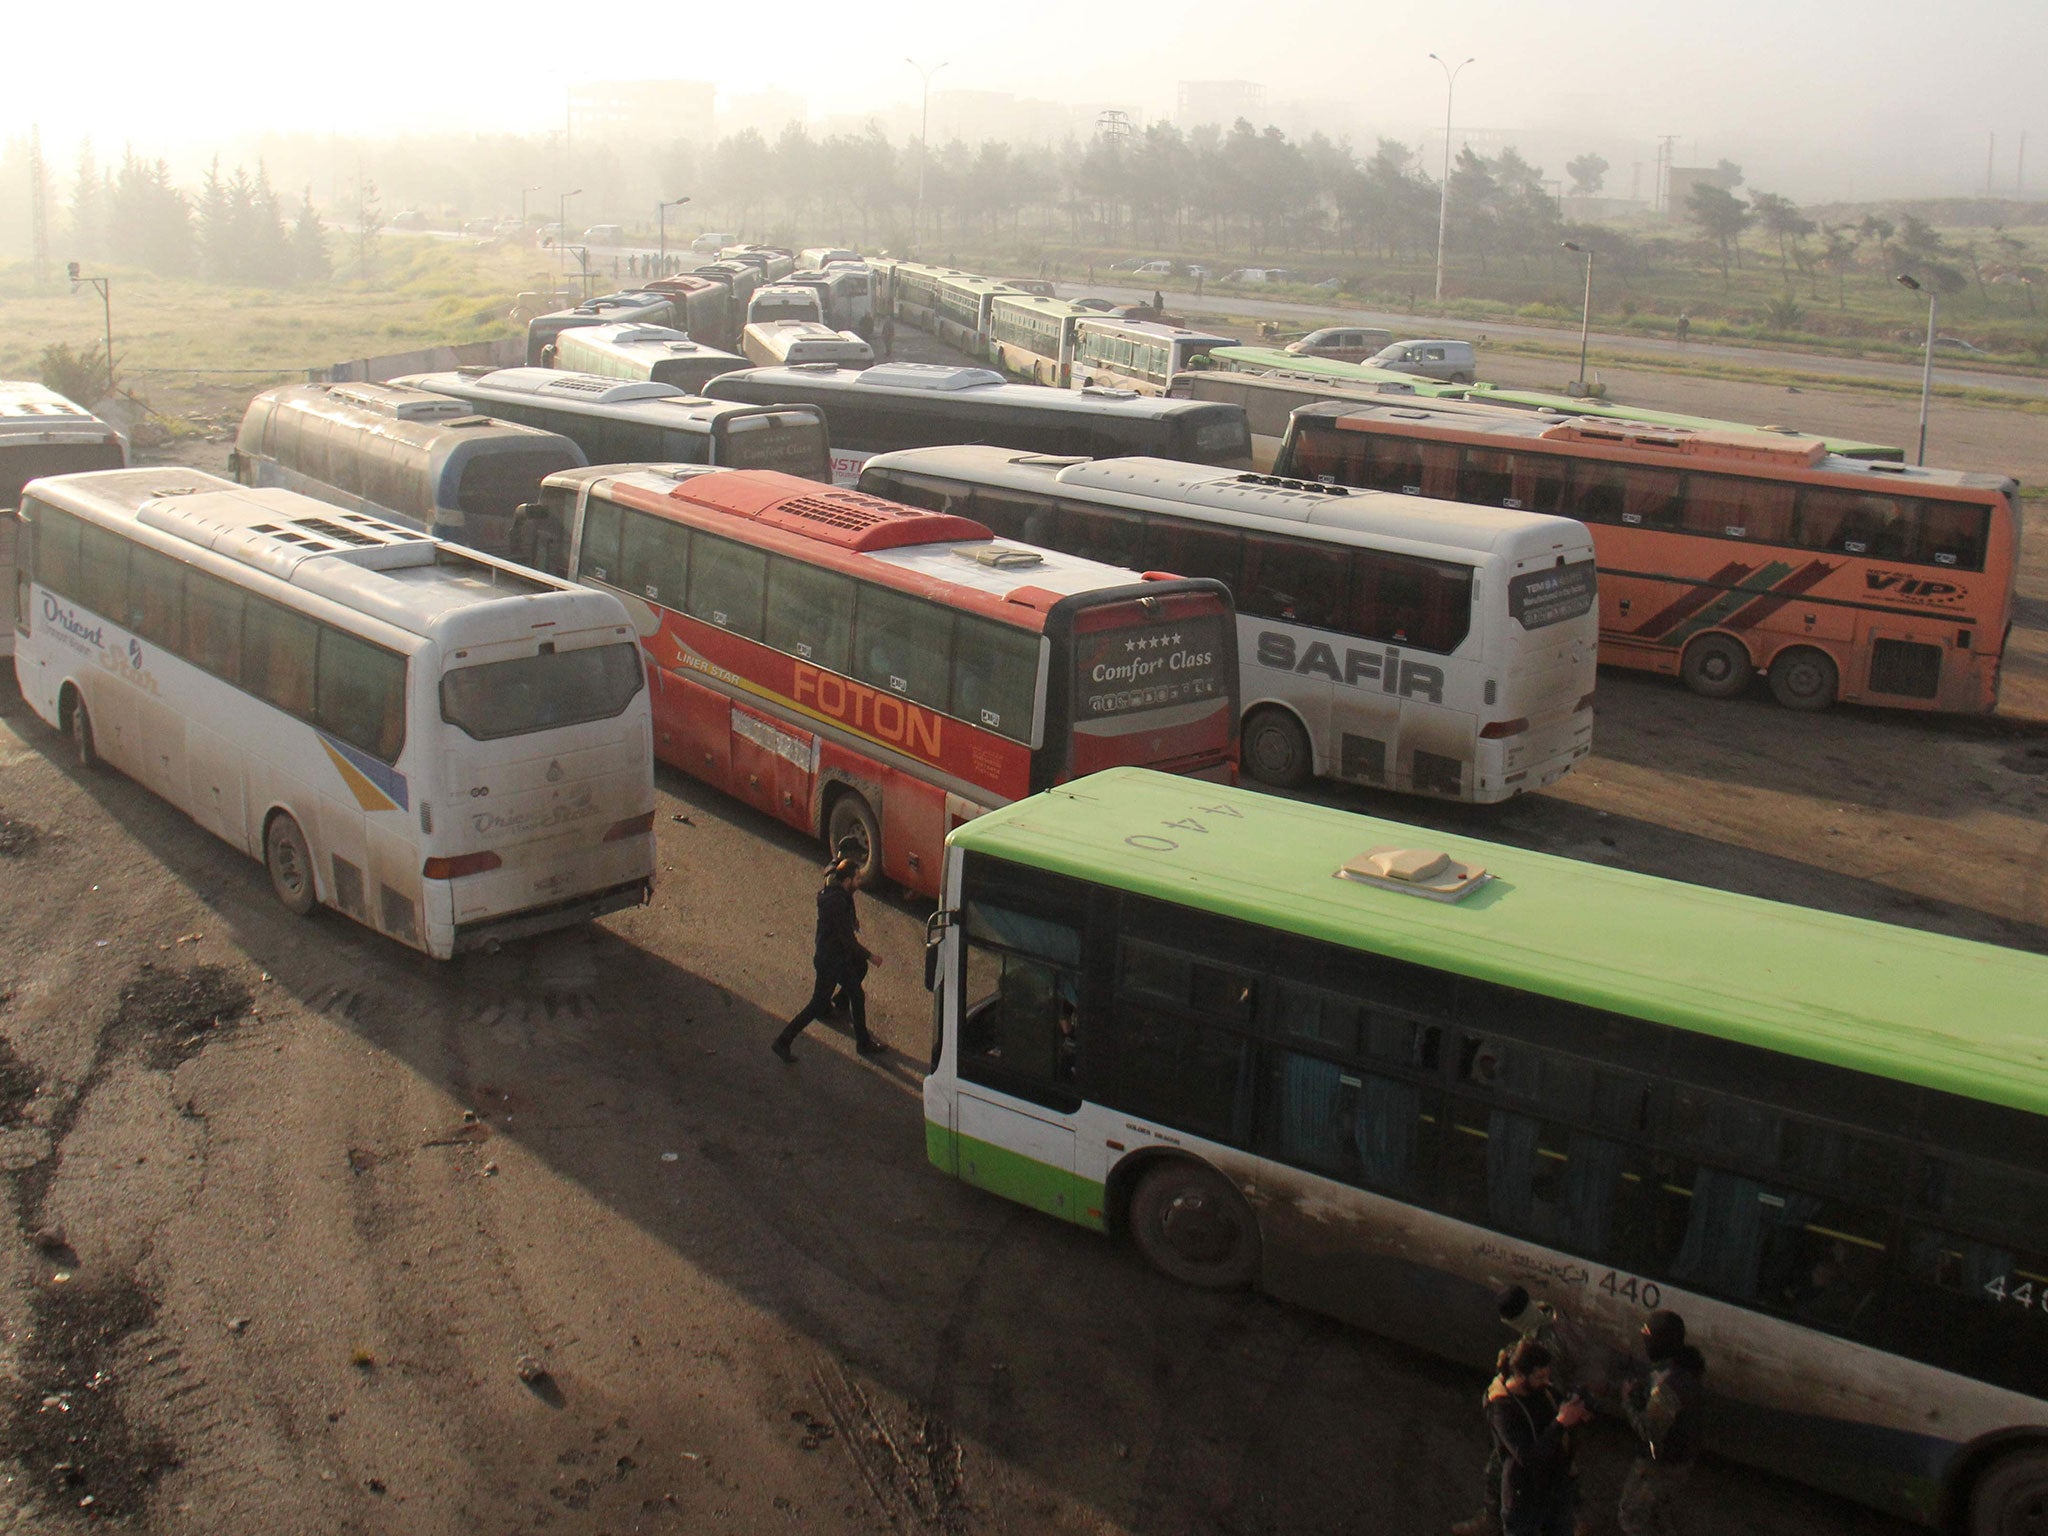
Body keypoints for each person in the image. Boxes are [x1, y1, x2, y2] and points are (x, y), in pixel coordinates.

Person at [1454, 1287, 1585, 1536]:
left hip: (1548, 1416)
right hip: (1552, 1413)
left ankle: (1571, 1519)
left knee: (1542, 1467)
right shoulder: (1548, 1316)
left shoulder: (1541, 1346)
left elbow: (1548, 1386)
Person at [772, 858, 885, 1061]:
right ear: (847, 880)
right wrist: (871, 957)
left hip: (829, 957)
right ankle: (862, 1043)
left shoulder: (838, 895)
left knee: (836, 993)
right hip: (833, 961)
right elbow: (848, 942)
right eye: (857, 878)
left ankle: (788, 1037)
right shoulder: (837, 903)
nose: (859, 881)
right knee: (849, 997)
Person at [1486, 1339, 1592, 1536]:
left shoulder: (1545, 1393)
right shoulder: (1503, 1409)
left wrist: (1578, 1412)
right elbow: (1527, 1457)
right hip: (1523, 1498)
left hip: (1554, 1493)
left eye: (1547, 1375)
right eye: (1539, 1376)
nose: (1546, 1381)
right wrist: (1560, 1423)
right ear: (1520, 1375)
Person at [1617, 1311, 1705, 1536]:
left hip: (1661, 1464)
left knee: (1631, 1518)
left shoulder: (1667, 1386)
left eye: (1648, 1335)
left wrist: (1628, 1401)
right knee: (1661, 1511)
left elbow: (1649, 1431)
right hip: (1680, 1458)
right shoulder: (1685, 1366)